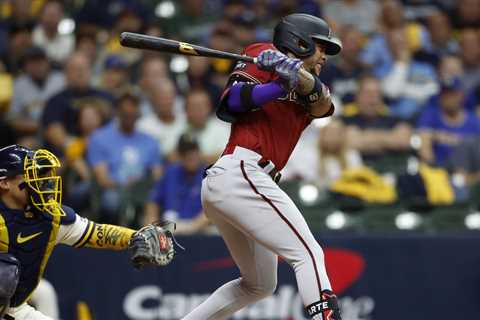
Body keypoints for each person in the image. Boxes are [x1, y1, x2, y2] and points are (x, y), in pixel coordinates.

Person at [182, 14, 342, 320]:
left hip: (245, 183)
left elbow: (321, 103)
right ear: (300, 41)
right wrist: (277, 84)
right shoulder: (261, 52)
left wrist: (294, 77)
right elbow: (231, 105)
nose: (323, 55)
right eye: (320, 46)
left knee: (260, 285)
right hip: (241, 171)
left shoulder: (313, 83)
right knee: (308, 253)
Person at [0, 144, 158, 320]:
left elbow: (96, 232)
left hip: (15, 309)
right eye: (32, 175)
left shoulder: (51, 217)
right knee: (4, 272)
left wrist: (135, 237)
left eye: (43, 175)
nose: (43, 182)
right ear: (5, 182)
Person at [87, 91, 162, 225]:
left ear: (138, 113)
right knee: (111, 201)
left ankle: (149, 240)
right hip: (114, 189)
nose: (129, 115)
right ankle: (114, 239)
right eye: (125, 112)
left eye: (132, 112)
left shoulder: (150, 141)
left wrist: (141, 183)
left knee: (155, 198)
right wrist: (125, 185)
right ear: (117, 112)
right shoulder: (100, 138)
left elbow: (157, 175)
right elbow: (102, 178)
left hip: (142, 189)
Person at [143, 134, 209, 234]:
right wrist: (153, 227)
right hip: (169, 227)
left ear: (199, 152)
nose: (190, 156)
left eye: (193, 152)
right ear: (179, 155)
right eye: (185, 153)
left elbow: (214, 209)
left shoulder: (209, 175)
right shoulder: (170, 172)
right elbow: (152, 202)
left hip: (199, 228)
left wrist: (193, 226)